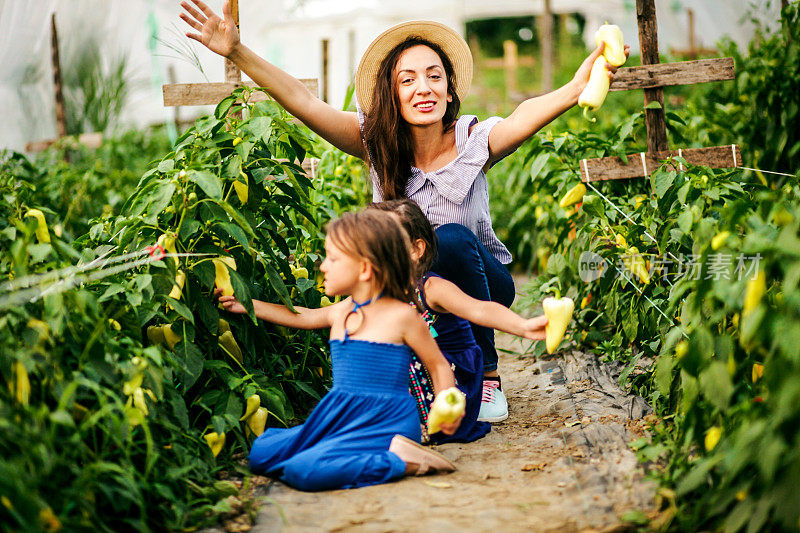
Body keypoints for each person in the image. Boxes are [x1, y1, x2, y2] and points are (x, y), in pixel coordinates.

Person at [181, 0, 629, 421]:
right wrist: (237, 51)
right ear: (391, 94)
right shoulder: (375, 145)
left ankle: (489, 374)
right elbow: (303, 102)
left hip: (483, 284)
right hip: (414, 295)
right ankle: (441, 383)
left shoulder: (474, 140)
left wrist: (576, 88)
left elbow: (522, 116)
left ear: (451, 91)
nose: (423, 89)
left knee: (449, 238)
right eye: (408, 80)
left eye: (434, 76)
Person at [217, 210, 462, 491]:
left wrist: (447, 406)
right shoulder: (343, 310)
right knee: (262, 451)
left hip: (384, 424)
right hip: (341, 414)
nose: (322, 266)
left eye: (332, 259)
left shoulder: (401, 316)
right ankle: (344, 455)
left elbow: (439, 366)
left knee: (305, 471)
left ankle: (402, 460)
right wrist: (246, 304)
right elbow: (303, 316)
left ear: (364, 269)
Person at [370, 199, 548, 439]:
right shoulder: (378, 292)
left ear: (415, 250)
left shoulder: (431, 287)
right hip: (415, 376)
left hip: (450, 382)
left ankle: (420, 425)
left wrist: (523, 326)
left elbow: (479, 310)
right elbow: (328, 314)